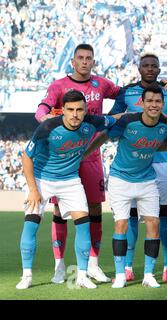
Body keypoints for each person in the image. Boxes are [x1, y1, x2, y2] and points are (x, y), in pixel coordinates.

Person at [35, 44, 121, 284]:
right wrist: (45, 119)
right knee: (59, 211)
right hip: (64, 158)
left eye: (88, 58)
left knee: (94, 210)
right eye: (80, 58)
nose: (84, 62)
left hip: (91, 156)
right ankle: (59, 266)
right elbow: (41, 109)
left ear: (94, 62)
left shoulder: (102, 84)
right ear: (72, 62)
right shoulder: (58, 86)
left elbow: (126, 95)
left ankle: (93, 265)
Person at [16, 90, 116, 290]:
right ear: (63, 110)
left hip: (70, 180)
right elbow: (26, 157)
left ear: (86, 110)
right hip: (42, 179)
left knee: (83, 223)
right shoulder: (48, 127)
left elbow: (115, 121)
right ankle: (26, 275)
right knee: (31, 222)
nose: (75, 114)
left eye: (80, 109)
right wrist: (33, 190)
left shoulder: (92, 122)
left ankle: (81, 275)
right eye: (70, 110)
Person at [86, 85, 167, 288]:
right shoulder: (128, 121)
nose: (154, 105)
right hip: (120, 179)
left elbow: (164, 144)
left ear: (163, 104)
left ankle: (148, 275)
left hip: (146, 180)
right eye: (150, 101)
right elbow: (105, 136)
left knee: (154, 224)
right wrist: (85, 153)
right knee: (121, 224)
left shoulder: (166, 124)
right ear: (141, 103)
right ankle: (119, 275)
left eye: (158, 101)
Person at [108, 53, 167, 284]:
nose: (150, 69)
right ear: (139, 68)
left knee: (162, 216)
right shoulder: (127, 92)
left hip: (159, 160)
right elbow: (113, 117)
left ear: (160, 69)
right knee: (129, 216)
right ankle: (128, 266)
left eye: (154, 66)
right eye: (146, 65)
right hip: (132, 161)